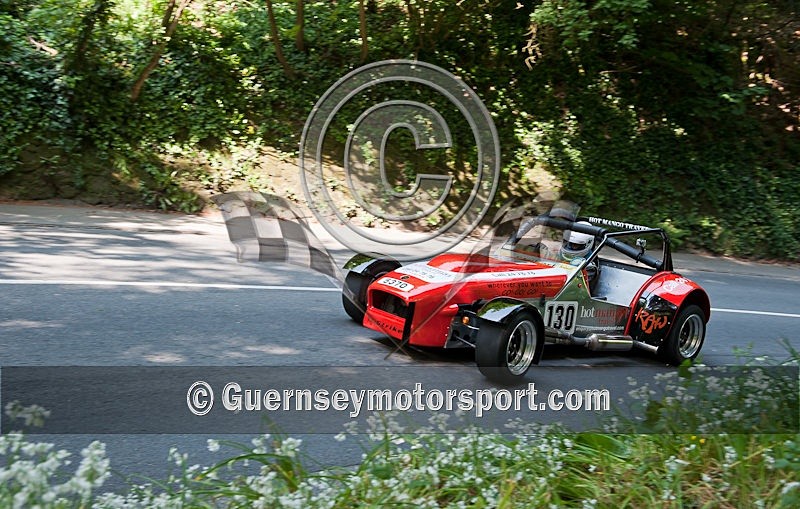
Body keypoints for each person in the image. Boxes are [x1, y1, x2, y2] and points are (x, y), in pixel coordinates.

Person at [559, 222, 599, 290]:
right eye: (569, 244)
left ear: (588, 244)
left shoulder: (590, 266)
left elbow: (576, 286)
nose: (571, 247)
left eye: (576, 245)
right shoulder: (560, 253)